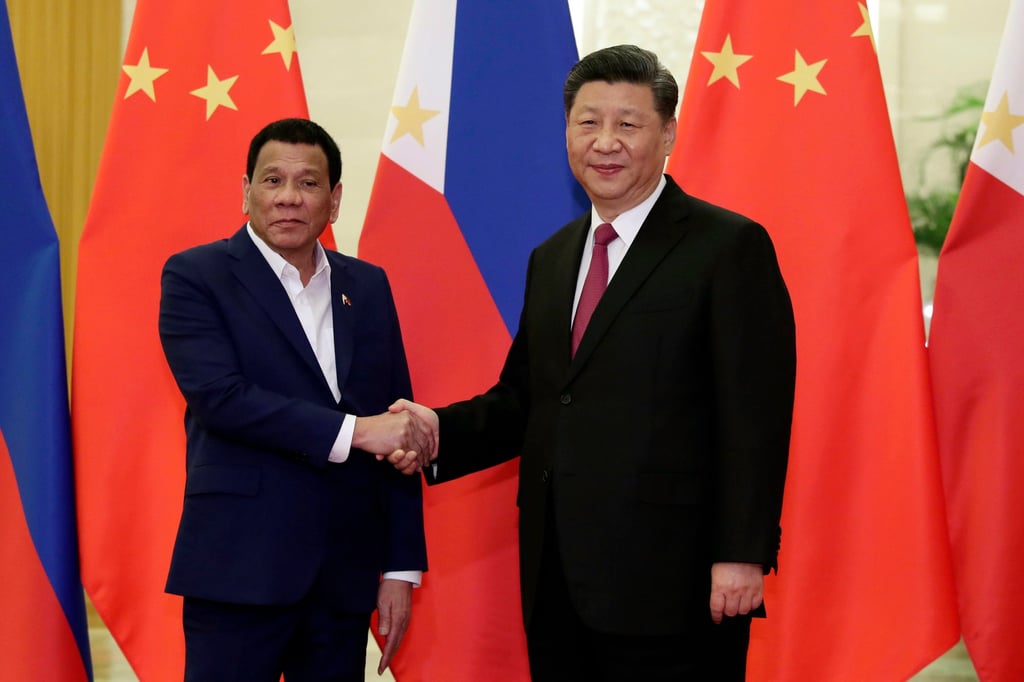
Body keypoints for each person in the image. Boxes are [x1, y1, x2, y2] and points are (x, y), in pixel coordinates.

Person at [386, 45, 796, 680]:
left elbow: (754, 416)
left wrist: (741, 553)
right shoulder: (553, 257)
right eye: (587, 122)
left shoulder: (728, 247)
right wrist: (435, 430)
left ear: (668, 134)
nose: (605, 142)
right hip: (556, 577)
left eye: (628, 124)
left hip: (677, 580)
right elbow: (531, 398)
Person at [158, 118, 432, 682]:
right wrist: (357, 431)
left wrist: (400, 567)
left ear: (334, 200)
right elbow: (221, 398)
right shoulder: (196, 276)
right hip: (239, 568)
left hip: (343, 575)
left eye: (308, 183)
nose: (288, 197)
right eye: (272, 180)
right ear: (246, 191)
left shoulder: (368, 285)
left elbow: (397, 423)